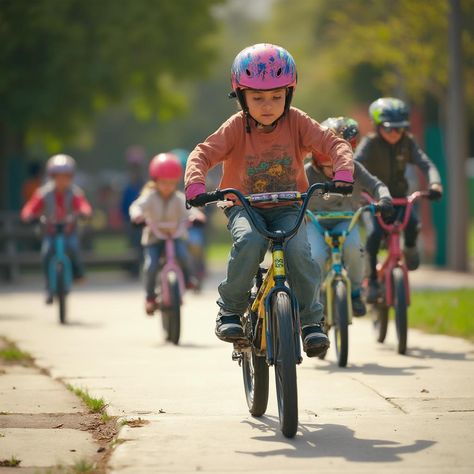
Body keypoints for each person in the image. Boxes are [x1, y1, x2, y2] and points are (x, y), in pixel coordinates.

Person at [185, 43, 354, 357]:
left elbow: (333, 143)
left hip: (290, 205)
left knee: (300, 252)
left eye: (277, 96)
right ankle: (231, 311)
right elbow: (203, 154)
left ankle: (311, 323)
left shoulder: (298, 121)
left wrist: (343, 171)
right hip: (244, 207)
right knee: (248, 242)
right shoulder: (236, 127)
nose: (268, 105)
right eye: (258, 97)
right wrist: (196, 185)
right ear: (241, 96)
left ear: (289, 94)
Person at [354, 98, 443, 303]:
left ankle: (410, 248)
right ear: (377, 126)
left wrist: (435, 184)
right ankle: (373, 281)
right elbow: (355, 163)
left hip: (400, 200)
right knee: (374, 235)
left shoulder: (407, 143)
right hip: (373, 201)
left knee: (413, 223)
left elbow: (426, 164)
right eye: (389, 128)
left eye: (400, 128)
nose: (395, 133)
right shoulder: (370, 143)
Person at [305, 117, 393, 317]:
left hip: (346, 220)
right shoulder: (306, 174)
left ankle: (354, 292)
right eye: (329, 161)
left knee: (355, 249)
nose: (335, 169)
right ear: (317, 156)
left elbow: (377, 185)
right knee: (315, 256)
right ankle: (315, 296)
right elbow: (292, 191)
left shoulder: (354, 169)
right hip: (314, 222)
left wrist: (385, 199)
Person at [129, 153, 198, 315]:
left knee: (183, 255)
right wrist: (137, 215)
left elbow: (190, 209)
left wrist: (197, 216)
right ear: (155, 181)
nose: (167, 186)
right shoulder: (150, 197)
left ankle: (188, 280)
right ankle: (150, 297)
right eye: (163, 182)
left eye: (171, 183)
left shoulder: (179, 198)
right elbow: (136, 206)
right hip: (154, 238)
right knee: (150, 265)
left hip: (174, 237)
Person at [21, 154, 92, 304]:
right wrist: (29, 215)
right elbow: (31, 207)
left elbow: (83, 205)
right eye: (58, 177)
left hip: (68, 230)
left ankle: (78, 273)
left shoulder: (74, 193)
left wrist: (84, 212)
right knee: (47, 252)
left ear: (71, 177)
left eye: (65, 177)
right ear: (52, 177)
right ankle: (48, 286)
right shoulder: (44, 193)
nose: (61, 181)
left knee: (73, 247)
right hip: (50, 231)